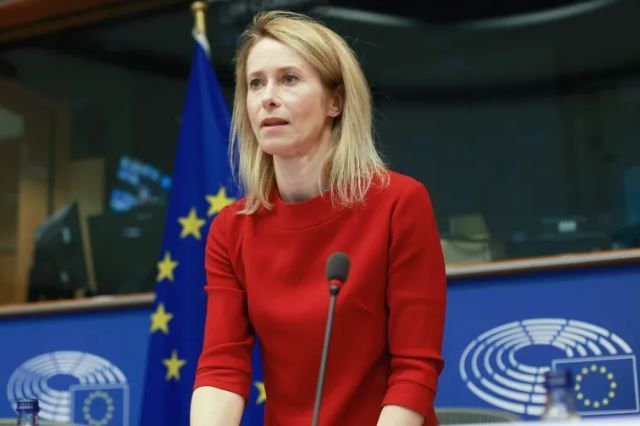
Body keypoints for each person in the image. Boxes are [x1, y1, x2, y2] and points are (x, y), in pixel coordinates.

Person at [191, 10, 446, 426]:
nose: (267, 97)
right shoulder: (231, 228)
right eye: (256, 83)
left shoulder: (399, 203)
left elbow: (414, 370)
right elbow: (222, 368)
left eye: (289, 79)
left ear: (335, 101)